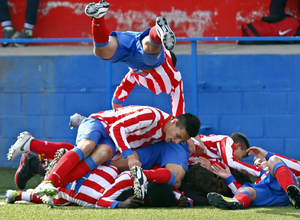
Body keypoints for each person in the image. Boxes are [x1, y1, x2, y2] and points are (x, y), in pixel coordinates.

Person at [7, 106, 200, 199]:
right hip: (101, 124)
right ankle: (49, 179)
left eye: (180, 140)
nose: (175, 141)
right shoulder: (152, 116)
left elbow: (181, 128)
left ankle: (52, 181)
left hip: (111, 142)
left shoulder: (170, 132)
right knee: (87, 147)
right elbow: (116, 128)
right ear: (173, 122)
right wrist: (130, 156)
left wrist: (189, 138)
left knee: (101, 156)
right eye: (177, 136)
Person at [84, 1, 184, 117]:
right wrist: (178, 121)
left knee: (101, 52)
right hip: (152, 54)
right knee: (149, 54)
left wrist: (119, 117)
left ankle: (98, 17)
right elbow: (178, 103)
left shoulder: (134, 75)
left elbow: (117, 99)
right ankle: (157, 32)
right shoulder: (170, 75)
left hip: (130, 46)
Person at [5, 164, 188, 208]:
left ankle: (18, 194)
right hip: (75, 185)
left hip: (92, 173)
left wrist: (182, 199)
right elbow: (101, 201)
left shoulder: (148, 184)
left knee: (60, 196)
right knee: (57, 198)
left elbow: (166, 192)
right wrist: (119, 205)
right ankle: (35, 166)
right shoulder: (125, 180)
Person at [207, 146, 300, 209]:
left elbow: (297, 166)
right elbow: (240, 191)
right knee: (246, 189)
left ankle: (293, 194)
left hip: (283, 185)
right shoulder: (258, 180)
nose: (258, 164)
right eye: (256, 164)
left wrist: (267, 154)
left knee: (274, 160)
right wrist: (228, 177)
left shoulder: (279, 166)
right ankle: (234, 202)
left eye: (261, 160)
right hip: (267, 195)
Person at [189, 133, 265, 178]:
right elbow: (231, 162)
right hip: (184, 146)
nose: (240, 161)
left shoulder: (220, 161)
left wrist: (211, 170)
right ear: (237, 146)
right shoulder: (227, 140)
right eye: (241, 157)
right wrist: (260, 172)